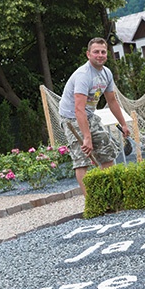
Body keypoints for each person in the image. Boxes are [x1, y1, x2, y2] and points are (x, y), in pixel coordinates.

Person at [59, 37, 131, 196]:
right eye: (96, 52)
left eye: (103, 52)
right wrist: (86, 137)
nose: (100, 55)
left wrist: (123, 124)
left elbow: (111, 100)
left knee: (106, 150)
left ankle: (111, 195)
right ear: (88, 54)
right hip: (71, 117)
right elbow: (78, 109)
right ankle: (92, 202)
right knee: (82, 157)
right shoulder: (84, 75)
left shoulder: (106, 73)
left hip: (89, 115)